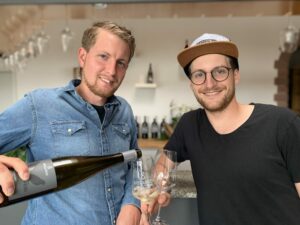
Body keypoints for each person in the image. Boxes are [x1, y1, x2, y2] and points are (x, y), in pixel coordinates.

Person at [142, 33, 300, 225]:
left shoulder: (282, 123)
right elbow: (163, 164)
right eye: (199, 75)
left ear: (236, 75)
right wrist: (162, 187)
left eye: (219, 71)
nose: (209, 83)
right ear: (192, 84)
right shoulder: (190, 125)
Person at [0, 21, 141, 225]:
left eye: (121, 63)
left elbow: (133, 163)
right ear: (83, 57)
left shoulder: (124, 111)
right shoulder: (39, 105)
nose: (111, 70)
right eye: (103, 56)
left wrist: (132, 204)